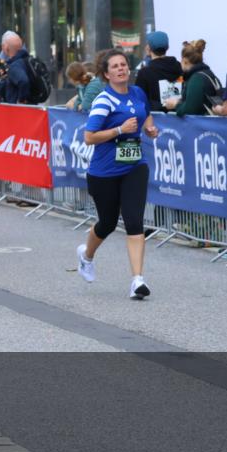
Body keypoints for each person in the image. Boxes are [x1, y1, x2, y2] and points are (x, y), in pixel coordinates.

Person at [78, 49, 160, 300]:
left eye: (123, 64)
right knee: (108, 223)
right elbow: (89, 137)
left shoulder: (137, 93)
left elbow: (145, 112)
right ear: (106, 74)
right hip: (104, 172)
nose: (121, 69)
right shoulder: (104, 100)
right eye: (115, 66)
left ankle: (137, 280)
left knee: (134, 221)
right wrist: (119, 129)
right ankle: (86, 256)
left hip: (134, 165)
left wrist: (149, 128)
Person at [164, 40, 223, 116]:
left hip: (201, 126)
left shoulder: (196, 80)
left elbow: (190, 110)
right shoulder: (209, 74)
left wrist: (175, 104)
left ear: (184, 61)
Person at [134, 31, 183, 112]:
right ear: (168, 47)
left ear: (148, 48)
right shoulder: (180, 67)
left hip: (156, 121)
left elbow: (140, 102)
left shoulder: (144, 73)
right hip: (180, 118)